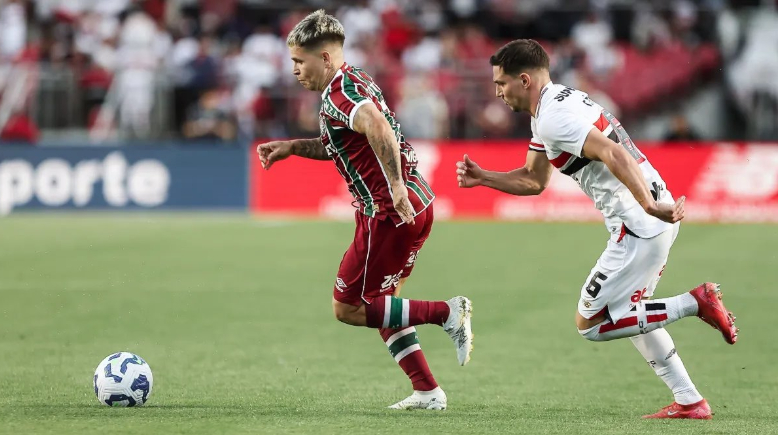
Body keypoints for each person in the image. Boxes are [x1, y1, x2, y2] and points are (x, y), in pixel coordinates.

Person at [455, 39, 738, 419]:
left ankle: (695, 301)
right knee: (632, 315)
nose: (498, 93)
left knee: (592, 323)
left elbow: (613, 153)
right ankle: (690, 400)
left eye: (500, 84)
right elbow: (535, 180)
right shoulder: (553, 106)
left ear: (524, 79)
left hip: (638, 224)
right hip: (648, 217)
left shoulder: (554, 118)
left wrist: (649, 206)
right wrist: (484, 177)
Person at [256, 10, 473, 410]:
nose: (294, 71)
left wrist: (394, 188)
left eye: (299, 62)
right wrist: (292, 147)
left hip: (389, 214)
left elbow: (376, 124)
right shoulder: (354, 80)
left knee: (351, 307)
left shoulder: (340, 94)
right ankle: (428, 391)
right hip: (407, 207)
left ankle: (447, 313)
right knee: (383, 305)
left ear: (324, 58)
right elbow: (343, 142)